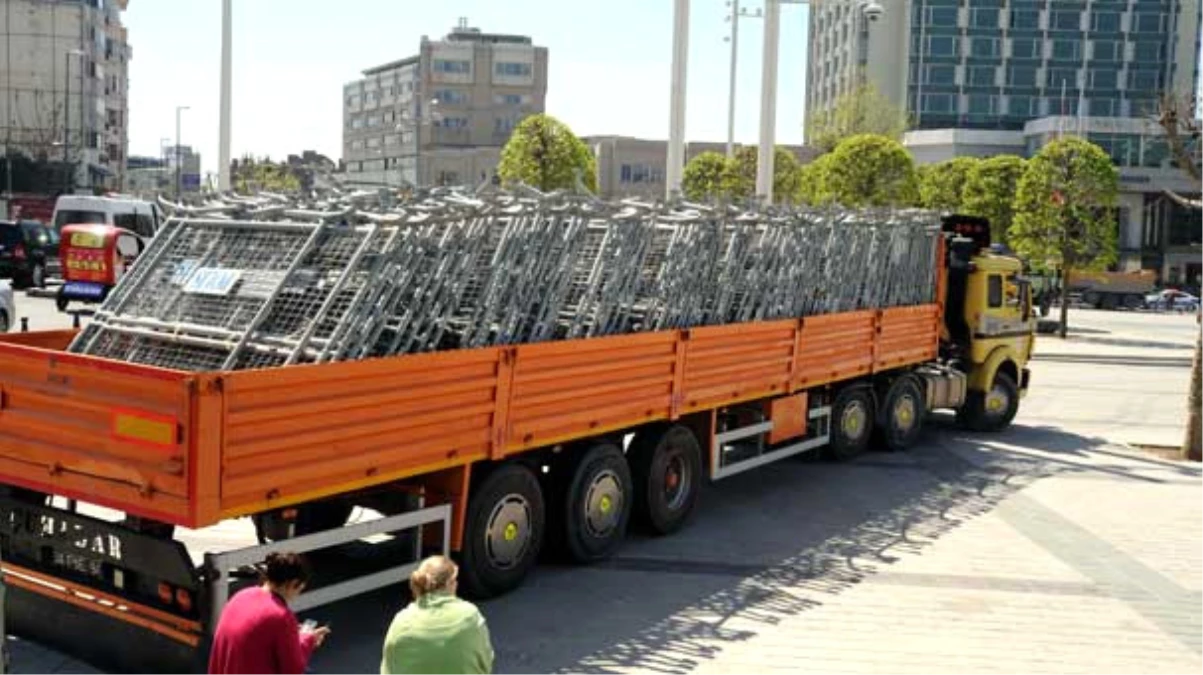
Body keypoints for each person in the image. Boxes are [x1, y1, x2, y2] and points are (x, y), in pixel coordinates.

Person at [208, 551, 330, 675]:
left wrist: (291, 633)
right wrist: (308, 640)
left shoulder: (241, 596)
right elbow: (293, 670)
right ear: (293, 584)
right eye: (300, 589)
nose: (296, 596)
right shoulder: (281, 616)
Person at [380, 556, 495, 675]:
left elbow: (388, 669)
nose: (456, 585)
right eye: (455, 580)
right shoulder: (470, 615)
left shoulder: (401, 621)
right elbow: (486, 663)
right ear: (449, 584)